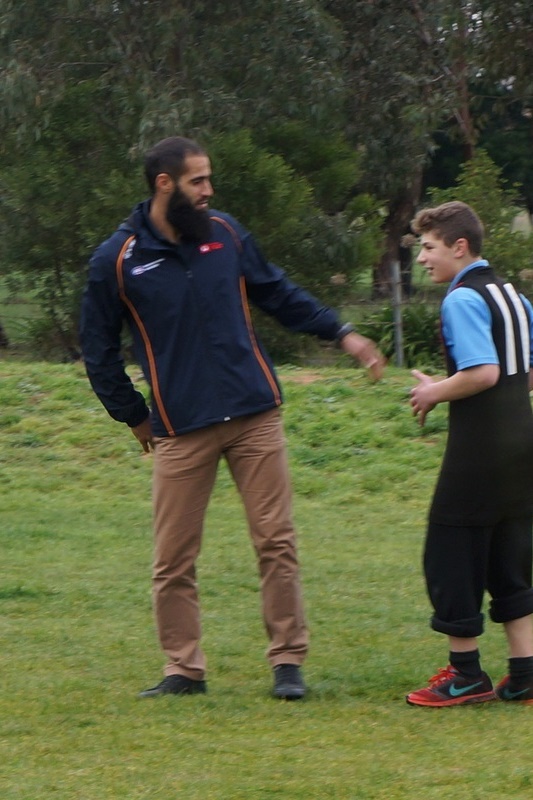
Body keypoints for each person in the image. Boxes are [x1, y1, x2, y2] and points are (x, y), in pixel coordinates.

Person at [79, 135, 385, 700]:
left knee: (277, 542)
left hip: (254, 413)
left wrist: (344, 334)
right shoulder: (116, 260)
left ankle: (288, 663)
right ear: (164, 185)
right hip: (180, 428)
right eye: (198, 180)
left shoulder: (225, 233)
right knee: (173, 559)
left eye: (209, 180)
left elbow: (279, 293)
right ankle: (183, 671)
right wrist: (133, 416)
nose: (209, 191)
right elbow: (95, 348)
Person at [407, 200, 533, 707]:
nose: (421, 259)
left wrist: (432, 391)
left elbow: (482, 373)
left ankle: (465, 676)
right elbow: (525, 372)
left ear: (460, 248)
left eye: (429, 247)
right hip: (522, 443)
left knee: (450, 549)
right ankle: (525, 674)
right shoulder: (514, 297)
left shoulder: (461, 299)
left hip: (478, 449)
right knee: (511, 554)